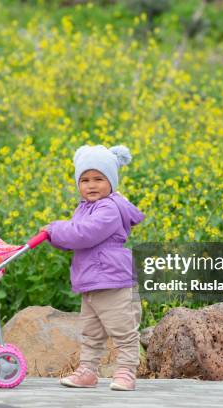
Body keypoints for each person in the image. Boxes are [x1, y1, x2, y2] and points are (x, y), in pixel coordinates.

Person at [39, 144, 145, 391]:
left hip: (113, 281)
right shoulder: (84, 207)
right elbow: (76, 239)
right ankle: (88, 371)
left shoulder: (109, 208)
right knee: (91, 332)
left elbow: (84, 234)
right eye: (84, 179)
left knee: (123, 330)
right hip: (92, 281)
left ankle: (126, 372)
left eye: (99, 178)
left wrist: (55, 229)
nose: (91, 185)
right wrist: (56, 237)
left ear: (112, 181)